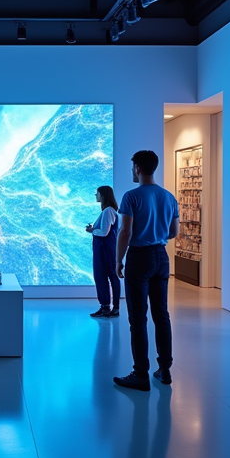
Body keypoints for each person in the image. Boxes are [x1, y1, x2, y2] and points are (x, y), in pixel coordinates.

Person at [113, 150, 180, 391]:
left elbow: (125, 232)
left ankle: (140, 373)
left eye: (133, 167)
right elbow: (173, 232)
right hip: (161, 257)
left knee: (138, 318)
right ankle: (164, 370)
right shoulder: (169, 197)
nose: (132, 171)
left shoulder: (131, 197)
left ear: (138, 168)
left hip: (139, 258)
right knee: (161, 315)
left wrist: (118, 259)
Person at [85, 185, 120, 319]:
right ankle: (107, 307)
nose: (96, 196)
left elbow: (104, 232)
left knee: (106, 276)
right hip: (106, 248)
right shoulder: (109, 211)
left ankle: (111, 307)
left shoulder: (108, 211)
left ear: (103, 195)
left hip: (105, 249)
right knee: (106, 276)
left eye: (97, 194)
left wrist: (92, 230)